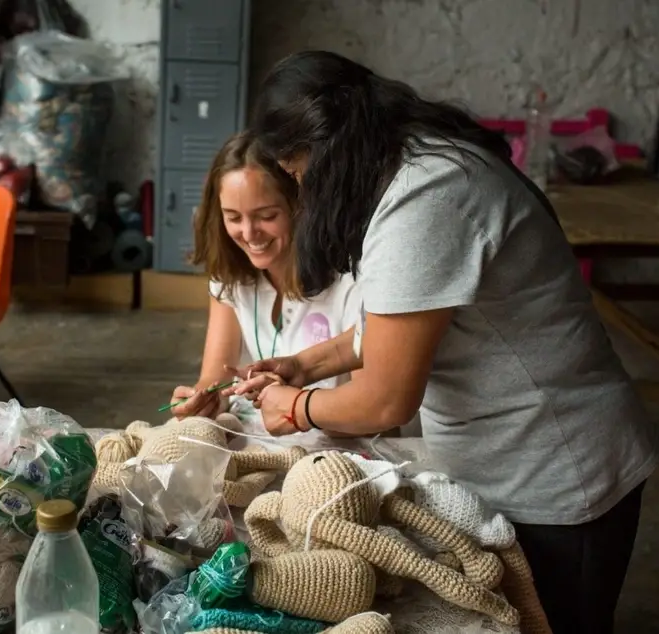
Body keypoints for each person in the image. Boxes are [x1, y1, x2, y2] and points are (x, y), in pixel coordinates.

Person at [226, 50, 657, 633]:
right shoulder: (413, 166)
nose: (304, 188)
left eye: (300, 173)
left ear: (328, 152)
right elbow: (401, 321)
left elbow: (384, 401)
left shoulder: (425, 197)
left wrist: (295, 408)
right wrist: (307, 362)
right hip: (513, 460)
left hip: (556, 470)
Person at [168, 130, 361, 442]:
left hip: (334, 447)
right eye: (233, 217)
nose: (249, 233)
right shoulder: (231, 277)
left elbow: (380, 416)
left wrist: (298, 407)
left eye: (267, 216)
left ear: (301, 206)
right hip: (258, 437)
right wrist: (202, 402)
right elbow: (215, 380)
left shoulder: (351, 284)